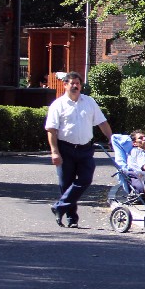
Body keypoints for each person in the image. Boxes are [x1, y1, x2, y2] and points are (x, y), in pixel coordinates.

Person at [45, 71, 113, 228]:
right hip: (65, 149)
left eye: (78, 83)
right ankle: (71, 218)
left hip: (85, 149)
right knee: (66, 184)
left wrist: (111, 138)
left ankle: (59, 207)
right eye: (72, 83)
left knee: (86, 179)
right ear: (65, 85)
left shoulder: (89, 102)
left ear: (81, 85)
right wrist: (54, 151)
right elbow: (51, 130)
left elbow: (102, 122)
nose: (75, 86)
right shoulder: (58, 105)